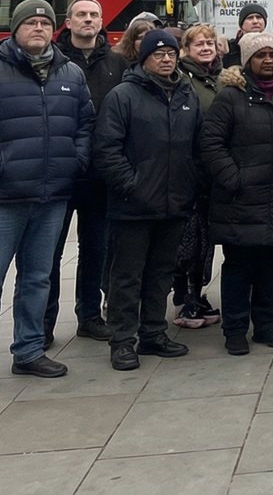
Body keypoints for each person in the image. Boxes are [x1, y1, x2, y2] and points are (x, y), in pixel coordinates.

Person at [0, 0, 93, 397]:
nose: (38, 29)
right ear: (15, 29)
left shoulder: (71, 75)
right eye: (30, 23)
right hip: (0, 199)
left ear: (53, 30)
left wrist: (73, 162)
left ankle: (29, 351)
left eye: (44, 23)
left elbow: (86, 125)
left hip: (51, 197)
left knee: (37, 280)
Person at [94, 28, 201, 371]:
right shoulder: (123, 96)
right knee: (126, 276)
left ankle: (154, 332)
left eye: (171, 53)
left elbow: (198, 145)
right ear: (144, 58)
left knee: (161, 273)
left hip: (174, 204)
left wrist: (190, 184)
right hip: (133, 206)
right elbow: (107, 149)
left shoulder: (187, 94)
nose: (166, 58)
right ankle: (123, 340)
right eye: (158, 54)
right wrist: (132, 185)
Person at [203, 32, 273, 355]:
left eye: (272, 55)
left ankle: (265, 324)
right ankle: (234, 328)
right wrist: (234, 179)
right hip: (242, 199)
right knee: (240, 266)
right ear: (248, 60)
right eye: (260, 55)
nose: (268, 60)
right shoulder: (230, 97)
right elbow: (211, 144)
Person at [46, 0, 125, 346]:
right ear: (69, 21)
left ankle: (89, 316)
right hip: (60, 173)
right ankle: (43, 323)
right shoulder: (52, 61)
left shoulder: (117, 63)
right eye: (81, 15)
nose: (88, 20)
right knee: (49, 253)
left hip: (101, 175)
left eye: (94, 14)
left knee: (96, 250)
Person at [172, 23, 224, 329]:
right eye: (198, 44)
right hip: (190, 171)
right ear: (186, 50)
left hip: (214, 173)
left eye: (210, 43)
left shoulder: (222, 78)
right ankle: (184, 297)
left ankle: (197, 292)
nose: (205, 48)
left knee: (206, 241)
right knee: (188, 242)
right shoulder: (182, 80)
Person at [224, 2, 269, 67]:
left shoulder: (271, 47)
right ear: (241, 24)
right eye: (250, 18)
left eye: (259, 17)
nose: (255, 21)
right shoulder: (229, 48)